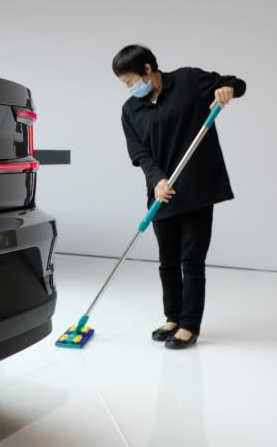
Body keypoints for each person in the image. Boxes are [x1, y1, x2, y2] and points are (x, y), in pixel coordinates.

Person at [113, 44, 245, 349]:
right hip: (163, 193)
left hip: (197, 189)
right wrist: (156, 179)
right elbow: (139, 153)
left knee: (191, 261)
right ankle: (172, 317)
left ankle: (189, 325)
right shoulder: (130, 110)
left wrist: (227, 90)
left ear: (148, 69)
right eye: (124, 84)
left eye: (131, 80)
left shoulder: (187, 81)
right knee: (167, 261)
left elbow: (237, 83)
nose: (129, 88)